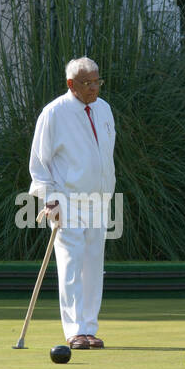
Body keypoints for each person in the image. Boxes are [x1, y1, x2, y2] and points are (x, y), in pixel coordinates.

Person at [28, 56, 116, 350]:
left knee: (93, 264)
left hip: (99, 200)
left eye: (97, 81)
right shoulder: (54, 112)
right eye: (87, 83)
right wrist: (51, 200)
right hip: (67, 200)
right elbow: (40, 163)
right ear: (71, 84)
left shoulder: (104, 109)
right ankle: (74, 330)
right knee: (70, 264)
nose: (94, 88)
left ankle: (90, 327)